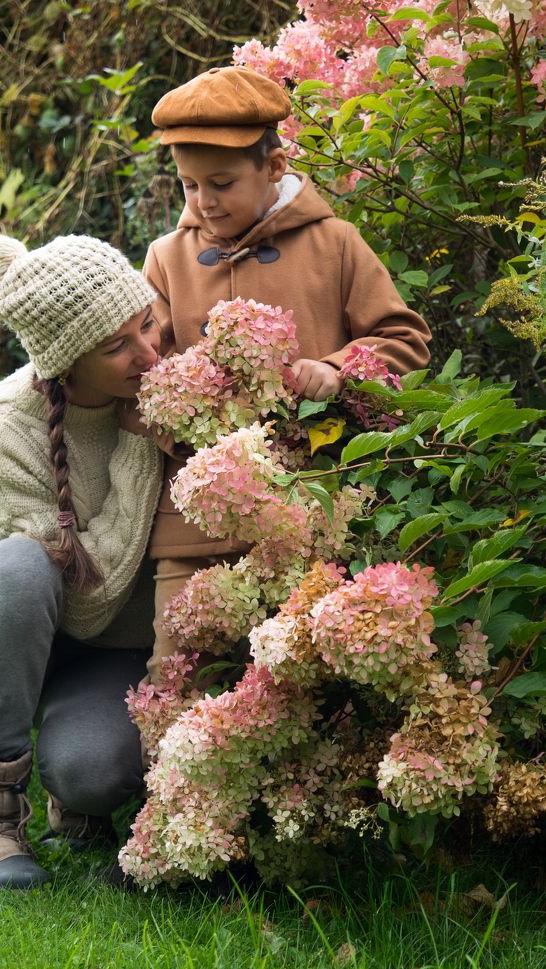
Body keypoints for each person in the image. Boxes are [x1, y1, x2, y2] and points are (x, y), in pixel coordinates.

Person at [142, 65, 432, 676]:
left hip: (313, 514)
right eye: (189, 185)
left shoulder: (336, 244)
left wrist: (337, 370)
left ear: (273, 168)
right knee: (177, 681)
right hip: (194, 532)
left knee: (306, 681)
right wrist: (183, 418)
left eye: (220, 182)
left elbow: (405, 339)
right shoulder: (167, 259)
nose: (203, 203)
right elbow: (140, 380)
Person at [0, 233, 163, 889]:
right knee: (26, 565)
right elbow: (84, 603)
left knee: (93, 771)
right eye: (117, 347)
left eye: (147, 322)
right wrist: (139, 451)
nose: (150, 353)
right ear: (66, 363)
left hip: (101, 648)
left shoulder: (171, 387)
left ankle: (71, 798)